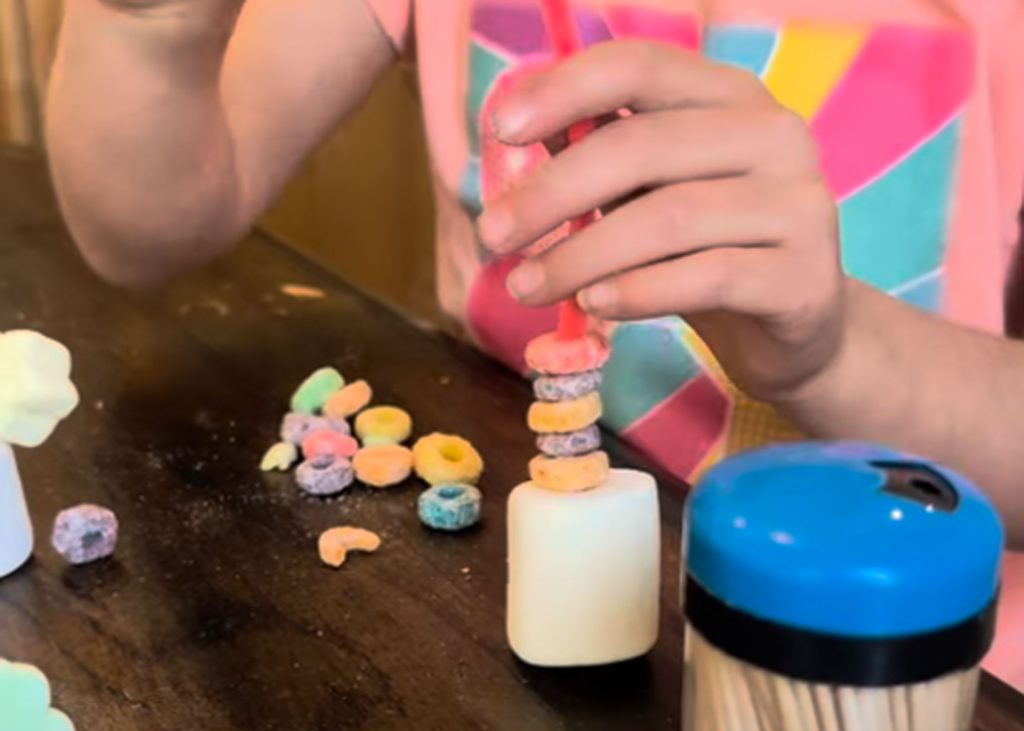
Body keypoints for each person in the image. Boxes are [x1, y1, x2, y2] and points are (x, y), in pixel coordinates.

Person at [46, 0, 1024, 687]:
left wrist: (833, 351)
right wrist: (144, 23)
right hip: (494, 617)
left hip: (923, 658)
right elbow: (150, 224)